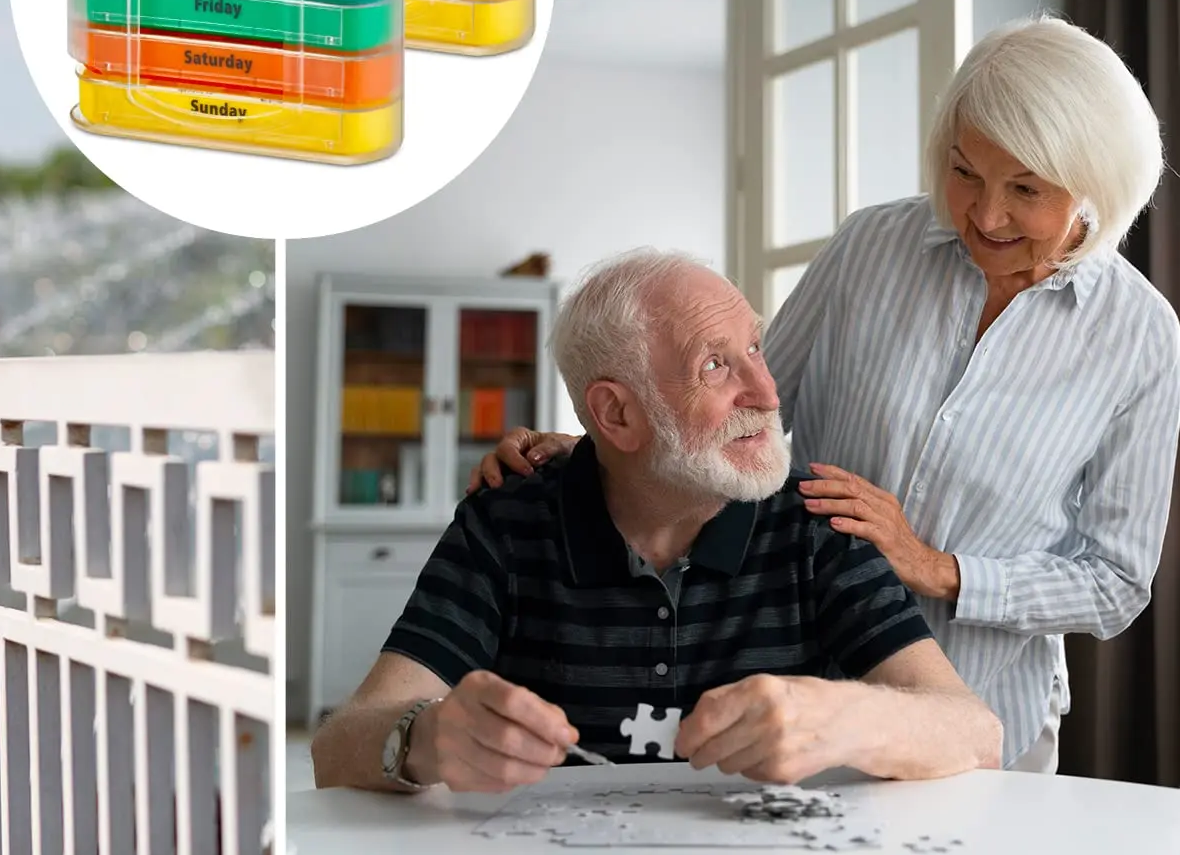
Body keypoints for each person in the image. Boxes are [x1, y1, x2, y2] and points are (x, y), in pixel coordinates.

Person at [471, 16, 1180, 773]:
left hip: (985, 720)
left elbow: (1115, 582)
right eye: (964, 170)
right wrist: (611, 451)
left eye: (1026, 190)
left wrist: (939, 567)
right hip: (802, 701)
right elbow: (738, 416)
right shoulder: (871, 247)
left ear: (1095, 187)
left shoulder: (1141, 336)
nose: (984, 213)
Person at [311, 250, 1003, 793]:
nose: (766, 393)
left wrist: (846, 719)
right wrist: (425, 740)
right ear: (615, 414)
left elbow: (977, 734)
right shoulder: (506, 519)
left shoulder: (816, 519)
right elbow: (337, 748)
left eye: (755, 348)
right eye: (714, 365)